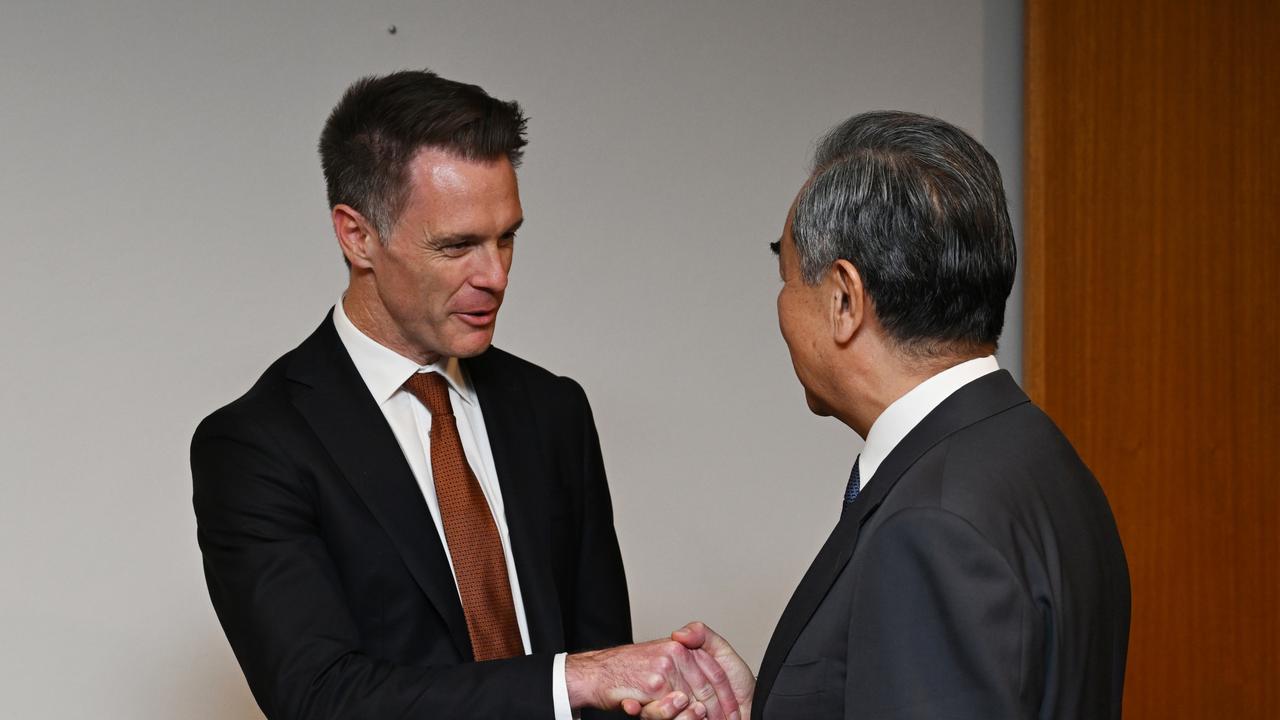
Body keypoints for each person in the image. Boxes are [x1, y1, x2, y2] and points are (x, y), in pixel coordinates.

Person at [191, 69, 736, 720]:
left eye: (507, 236)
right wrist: (574, 680)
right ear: (357, 235)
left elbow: (604, 668)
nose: (495, 275)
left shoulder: (553, 410)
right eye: (458, 246)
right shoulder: (256, 446)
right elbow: (321, 698)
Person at [645, 111, 1131, 719]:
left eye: (788, 279)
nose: (781, 309)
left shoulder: (932, 524)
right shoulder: (1038, 457)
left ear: (844, 299)